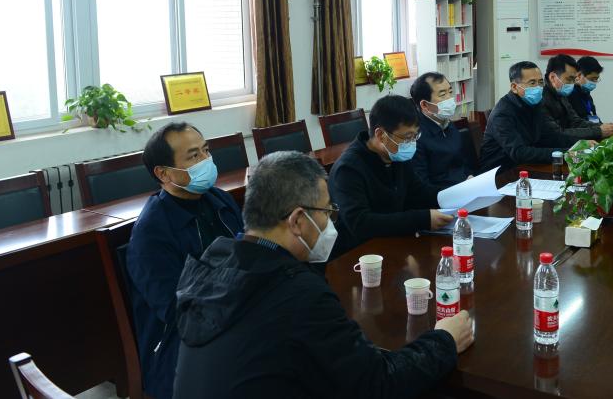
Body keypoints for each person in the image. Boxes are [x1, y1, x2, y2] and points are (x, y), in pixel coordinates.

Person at [174, 151, 474, 398]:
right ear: (297, 221)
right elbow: (378, 383)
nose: (332, 222)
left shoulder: (214, 264)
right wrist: (444, 340)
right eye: (327, 212)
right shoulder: (296, 293)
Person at [126, 122, 244, 399]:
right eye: (193, 156)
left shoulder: (220, 200)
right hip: (181, 349)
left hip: (233, 319)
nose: (206, 160)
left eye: (206, 151)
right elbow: (177, 311)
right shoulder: (152, 232)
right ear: (163, 173)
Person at [328, 95, 452, 256]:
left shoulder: (396, 155)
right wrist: (422, 219)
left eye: (415, 136)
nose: (411, 143)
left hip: (393, 243)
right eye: (407, 137)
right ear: (381, 135)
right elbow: (360, 223)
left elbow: (418, 192)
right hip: (359, 254)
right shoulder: (348, 169)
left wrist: (454, 194)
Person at [478, 60, 582, 170]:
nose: (538, 87)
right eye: (532, 83)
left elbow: (550, 135)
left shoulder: (535, 104)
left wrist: (580, 144)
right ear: (514, 87)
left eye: (540, 82)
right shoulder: (502, 114)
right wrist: (566, 153)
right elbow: (519, 152)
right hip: (500, 172)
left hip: (526, 165)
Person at [408, 72, 472, 188]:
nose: (450, 99)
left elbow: (463, 162)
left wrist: (470, 177)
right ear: (425, 105)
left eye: (450, 92)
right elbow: (422, 185)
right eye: (442, 95)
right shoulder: (415, 136)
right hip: (442, 195)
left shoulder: (447, 123)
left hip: (465, 187)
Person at [541, 54, 613, 141]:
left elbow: (576, 122)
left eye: (574, 79)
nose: (572, 84)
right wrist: (599, 131)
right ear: (553, 77)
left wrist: (604, 127)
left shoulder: (561, 95)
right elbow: (557, 133)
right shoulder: (542, 99)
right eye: (569, 79)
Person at [568, 56, 604, 123]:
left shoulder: (586, 94)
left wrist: (604, 126)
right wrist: (599, 128)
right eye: (592, 79)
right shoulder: (569, 95)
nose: (594, 82)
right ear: (579, 75)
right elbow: (574, 123)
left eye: (596, 79)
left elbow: (593, 116)